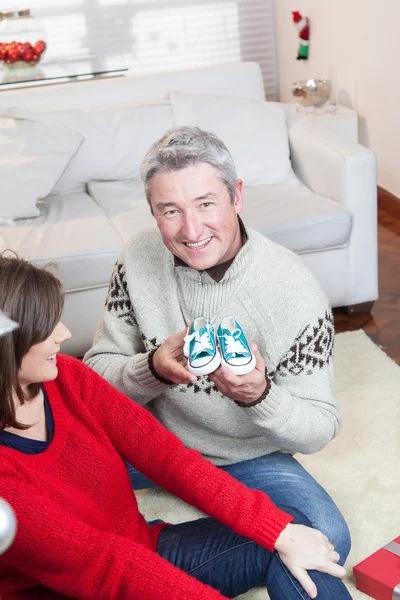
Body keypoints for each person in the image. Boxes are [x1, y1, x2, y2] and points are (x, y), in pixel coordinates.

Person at [0, 255, 352, 600]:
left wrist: (278, 533)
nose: (64, 334)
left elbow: (169, 459)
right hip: (87, 586)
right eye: (47, 328)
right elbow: (106, 568)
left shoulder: (66, 376)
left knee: (290, 529)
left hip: (142, 552)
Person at [84, 125, 351, 564]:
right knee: (24, 488)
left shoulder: (294, 290)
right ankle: (132, 562)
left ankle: (134, 564)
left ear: (236, 196)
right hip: (149, 441)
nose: (191, 230)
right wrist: (150, 368)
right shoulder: (138, 257)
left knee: (326, 537)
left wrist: (259, 397)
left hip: (247, 455)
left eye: (206, 204)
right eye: (170, 211)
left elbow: (319, 427)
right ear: (152, 211)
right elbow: (95, 378)